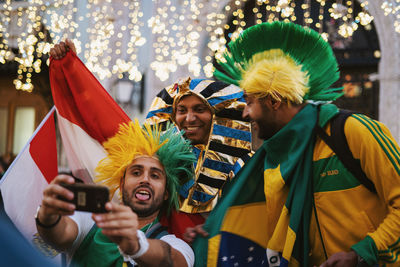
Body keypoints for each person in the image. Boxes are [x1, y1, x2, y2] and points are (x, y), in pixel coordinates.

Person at [200, 21, 400, 267]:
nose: (245, 114)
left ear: (274, 101)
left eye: (250, 102)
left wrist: (361, 254)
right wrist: (211, 233)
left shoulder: (352, 131)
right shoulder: (273, 158)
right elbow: (266, 229)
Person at [36, 120, 196, 266]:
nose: (145, 179)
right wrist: (47, 215)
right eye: (136, 172)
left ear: (166, 193)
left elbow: (170, 260)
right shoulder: (89, 220)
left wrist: (136, 245)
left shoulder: (176, 244)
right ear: (122, 183)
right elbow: (60, 235)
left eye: (155, 175)